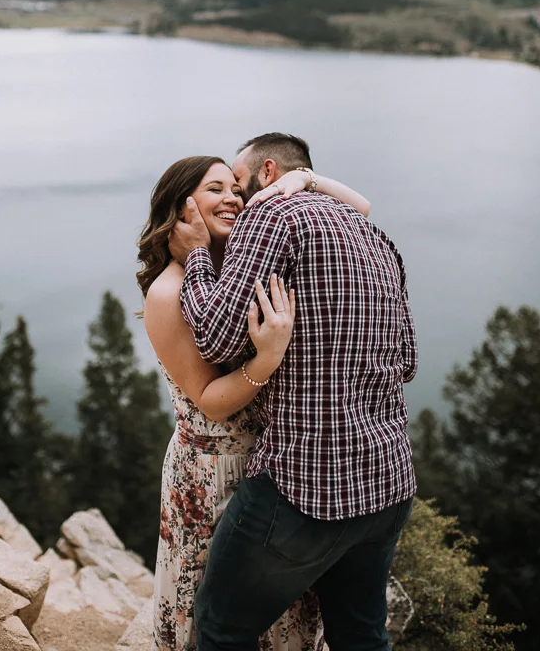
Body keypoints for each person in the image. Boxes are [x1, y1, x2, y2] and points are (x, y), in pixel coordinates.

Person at [169, 133, 418, 651]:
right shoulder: (375, 237)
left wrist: (196, 257)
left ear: (266, 174)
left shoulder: (274, 216)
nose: (235, 200)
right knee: (362, 635)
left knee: (221, 629)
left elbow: (215, 336)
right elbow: (408, 362)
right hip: (388, 482)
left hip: (306, 488)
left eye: (236, 183)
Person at [138, 154, 370, 651]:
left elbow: (362, 212)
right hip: (212, 474)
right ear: (180, 209)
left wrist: (303, 179)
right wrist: (266, 361)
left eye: (236, 190)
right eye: (214, 189)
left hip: (272, 471)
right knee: (217, 617)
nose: (233, 199)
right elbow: (210, 402)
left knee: (279, 617)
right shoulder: (168, 293)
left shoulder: (234, 273)